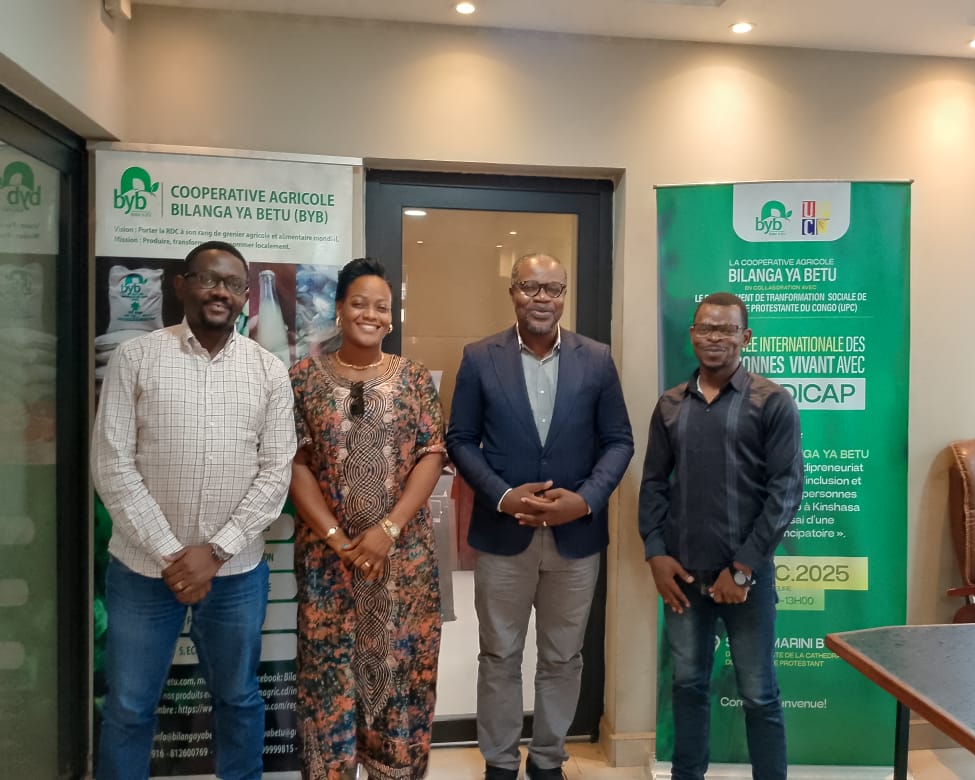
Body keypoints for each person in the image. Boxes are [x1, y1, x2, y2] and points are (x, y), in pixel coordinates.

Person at [91, 240, 296, 780]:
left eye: (233, 284)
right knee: (129, 707)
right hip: (142, 569)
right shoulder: (136, 358)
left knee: (239, 698)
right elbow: (111, 465)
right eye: (209, 279)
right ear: (181, 285)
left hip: (236, 572)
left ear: (245, 297)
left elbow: (276, 473)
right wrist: (173, 555)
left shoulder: (268, 370)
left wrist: (216, 551)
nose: (220, 292)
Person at [447, 252, 634, 780]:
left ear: (564, 296)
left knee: (562, 657)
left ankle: (549, 760)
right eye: (530, 286)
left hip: (576, 539)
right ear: (512, 291)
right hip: (503, 535)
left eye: (553, 289)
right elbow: (460, 439)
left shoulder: (596, 359)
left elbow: (619, 441)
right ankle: (501, 763)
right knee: (499, 655)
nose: (542, 298)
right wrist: (502, 495)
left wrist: (587, 499)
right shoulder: (479, 357)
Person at [288, 257, 445, 780]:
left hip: (403, 569)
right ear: (339, 309)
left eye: (382, 307)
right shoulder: (303, 379)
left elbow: (432, 455)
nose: (370, 314)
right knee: (327, 690)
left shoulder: (414, 378)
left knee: (402, 686)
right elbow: (295, 463)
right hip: (328, 570)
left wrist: (387, 530)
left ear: (391, 317)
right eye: (359, 303)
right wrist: (340, 540)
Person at [638, 291, 803, 780]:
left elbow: (786, 491)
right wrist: (655, 553)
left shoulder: (772, 402)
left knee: (759, 693)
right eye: (706, 328)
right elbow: (653, 483)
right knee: (688, 686)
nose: (715, 338)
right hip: (684, 575)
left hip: (746, 578)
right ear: (692, 334)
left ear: (745, 337)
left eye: (727, 329)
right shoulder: (670, 405)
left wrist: (744, 568)